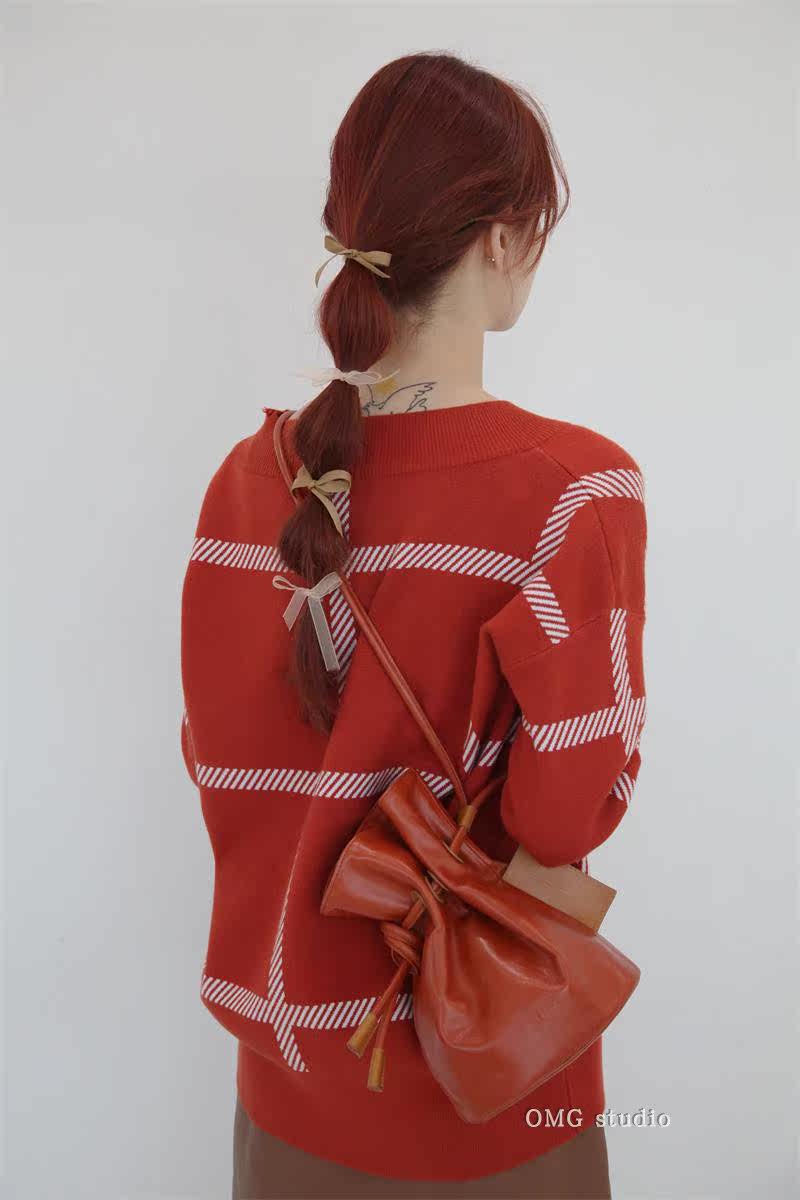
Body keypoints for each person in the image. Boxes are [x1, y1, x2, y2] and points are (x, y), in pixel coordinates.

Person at [180, 51, 647, 1200]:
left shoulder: (246, 480)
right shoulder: (571, 491)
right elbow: (562, 813)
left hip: (284, 1097)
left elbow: (218, 759)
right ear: (499, 239)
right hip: (487, 1098)